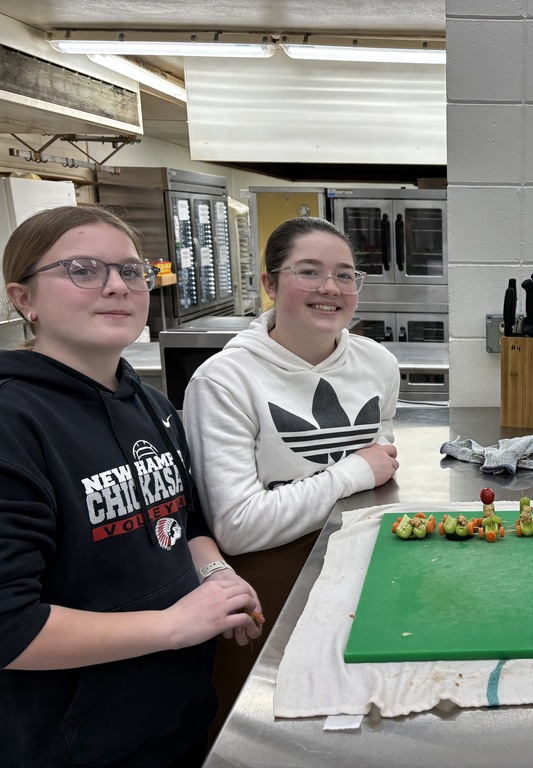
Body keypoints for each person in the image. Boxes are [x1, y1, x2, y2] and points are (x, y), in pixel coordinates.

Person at [0, 205, 262, 768]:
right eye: (83, 270)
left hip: (179, 719)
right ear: (24, 300)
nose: (117, 286)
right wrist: (173, 625)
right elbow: (9, 627)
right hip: (77, 749)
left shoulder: (150, 402)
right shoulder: (13, 423)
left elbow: (184, 521)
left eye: (130, 270)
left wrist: (217, 575)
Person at [183, 216, 400, 728]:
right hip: (270, 585)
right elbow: (239, 526)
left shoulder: (378, 363)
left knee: (367, 720)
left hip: (363, 571)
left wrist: (365, 472)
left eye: (345, 275)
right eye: (309, 271)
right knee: (269, 730)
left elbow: (381, 465)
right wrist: (352, 472)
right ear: (270, 283)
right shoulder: (225, 380)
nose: (331, 288)